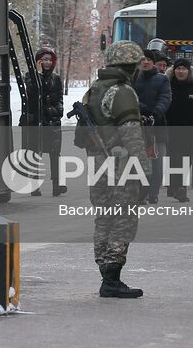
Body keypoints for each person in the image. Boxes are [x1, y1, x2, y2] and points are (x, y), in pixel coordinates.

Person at [81, 39, 147, 298]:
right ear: (131, 66)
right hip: (121, 165)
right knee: (123, 219)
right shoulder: (122, 91)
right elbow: (131, 134)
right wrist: (143, 171)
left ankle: (106, 276)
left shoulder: (95, 89)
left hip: (98, 163)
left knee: (104, 218)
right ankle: (112, 279)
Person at [22, 46, 66, 196]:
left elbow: (59, 99)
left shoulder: (56, 78)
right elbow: (31, 93)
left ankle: (57, 185)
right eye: (43, 59)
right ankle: (35, 186)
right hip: (36, 121)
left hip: (52, 121)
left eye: (49, 59)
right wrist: (37, 75)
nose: (46, 62)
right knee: (35, 153)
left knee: (55, 153)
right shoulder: (30, 76)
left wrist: (56, 113)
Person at [163, 58, 193, 202]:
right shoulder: (167, 86)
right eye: (178, 69)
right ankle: (174, 186)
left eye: (184, 69)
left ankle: (180, 188)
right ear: (173, 71)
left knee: (185, 161)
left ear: (188, 71)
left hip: (189, 132)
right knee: (173, 159)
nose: (181, 71)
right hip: (170, 131)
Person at [134, 49, 171, 204]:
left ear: (153, 62)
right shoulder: (133, 78)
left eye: (149, 59)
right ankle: (140, 192)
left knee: (157, 161)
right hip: (137, 124)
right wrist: (142, 109)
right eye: (143, 59)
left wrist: (155, 112)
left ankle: (153, 193)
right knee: (138, 161)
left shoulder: (162, 79)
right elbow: (130, 97)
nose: (146, 62)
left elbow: (165, 98)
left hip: (157, 125)